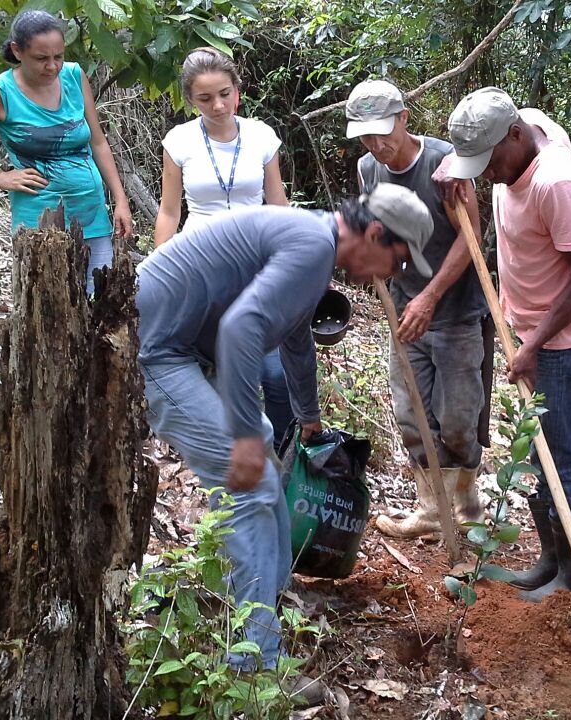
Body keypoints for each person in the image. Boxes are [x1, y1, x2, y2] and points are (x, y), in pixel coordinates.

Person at [135, 184, 433, 697]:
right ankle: (253, 670)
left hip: (182, 347)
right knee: (249, 488)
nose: (391, 275)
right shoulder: (312, 245)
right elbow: (240, 329)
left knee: (270, 471)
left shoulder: (312, 243)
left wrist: (308, 417)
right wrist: (246, 436)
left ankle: (257, 612)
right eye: (397, 261)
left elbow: (294, 341)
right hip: (157, 348)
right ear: (377, 234)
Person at [439, 87, 571, 602]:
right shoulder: (525, 126)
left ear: (515, 137)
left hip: (565, 338)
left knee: (558, 455)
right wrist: (455, 170)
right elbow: (475, 150)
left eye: (489, 161)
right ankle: (552, 560)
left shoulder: (556, 184)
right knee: (538, 453)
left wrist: (535, 343)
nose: (486, 172)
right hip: (531, 326)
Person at [343, 79, 490, 539]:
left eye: (383, 131)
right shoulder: (369, 168)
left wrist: (431, 296)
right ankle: (431, 511)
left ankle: (466, 508)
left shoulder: (445, 164)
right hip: (405, 311)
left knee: (460, 422)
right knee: (413, 417)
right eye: (366, 135)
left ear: (405, 118)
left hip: (457, 314)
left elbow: (471, 237)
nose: (376, 144)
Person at [0, 10, 132, 293]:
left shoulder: (75, 77)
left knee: (102, 302)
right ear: (17, 50)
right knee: (48, 308)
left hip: (92, 213)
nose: (52, 66)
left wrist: (120, 199)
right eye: (41, 58)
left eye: (58, 57)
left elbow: (97, 141)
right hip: (40, 222)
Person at [154, 47, 294, 446]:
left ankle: (282, 457)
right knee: (214, 368)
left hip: (256, 265)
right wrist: (160, 270)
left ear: (238, 91)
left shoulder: (262, 136)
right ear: (189, 100)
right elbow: (169, 211)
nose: (217, 105)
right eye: (205, 98)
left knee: (275, 373)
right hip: (200, 267)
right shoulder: (180, 141)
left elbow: (277, 202)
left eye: (224, 93)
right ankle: (226, 460)